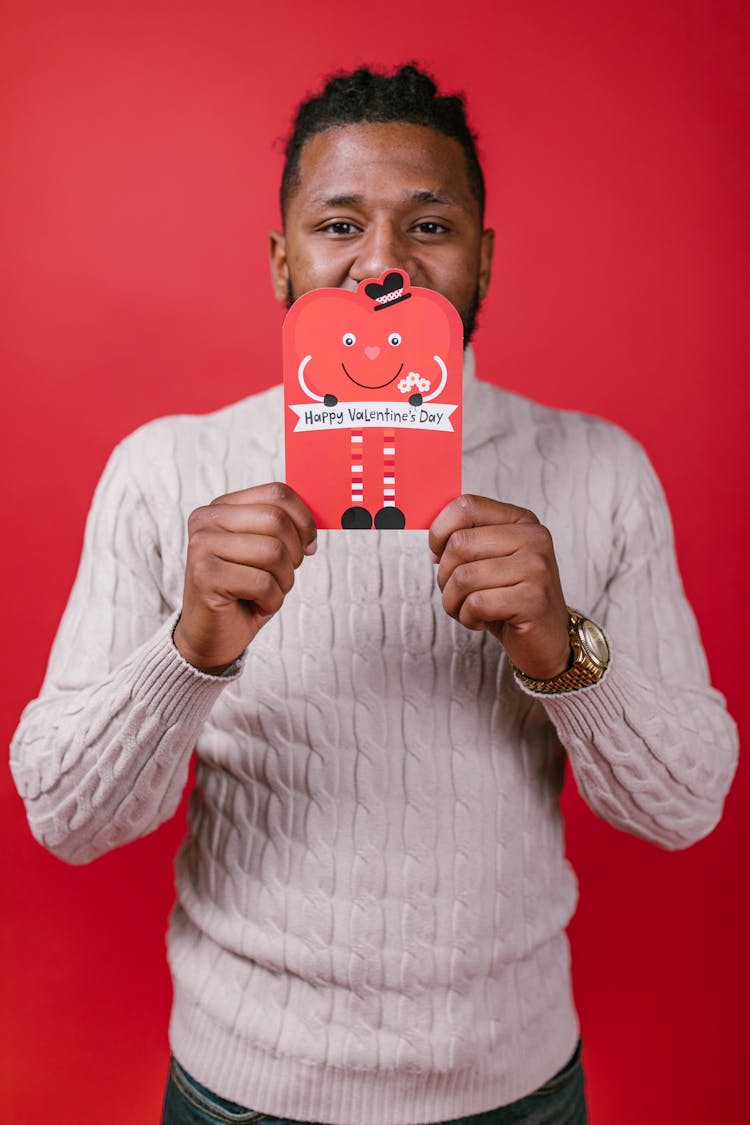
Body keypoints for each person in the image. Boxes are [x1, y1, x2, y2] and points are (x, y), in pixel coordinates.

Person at [10, 64, 738, 1125]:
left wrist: (556, 644)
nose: (383, 265)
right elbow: (67, 819)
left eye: (430, 226)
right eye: (339, 225)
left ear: (484, 258)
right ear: (281, 263)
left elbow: (685, 806)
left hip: (517, 1087)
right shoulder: (166, 469)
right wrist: (193, 646)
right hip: (244, 1089)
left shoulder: (600, 470)